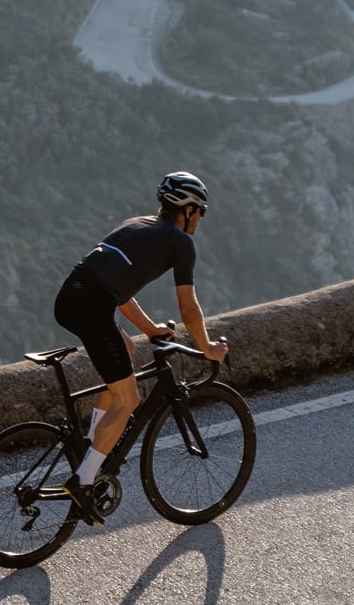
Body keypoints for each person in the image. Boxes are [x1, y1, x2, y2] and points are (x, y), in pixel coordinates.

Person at [52, 171, 230, 522]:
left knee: (126, 350)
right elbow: (188, 306)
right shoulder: (180, 242)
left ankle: (92, 445)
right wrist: (207, 346)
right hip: (92, 308)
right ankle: (84, 481)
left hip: (70, 298)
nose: (201, 219)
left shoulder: (135, 224)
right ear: (190, 210)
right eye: (201, 211)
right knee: (130, 399)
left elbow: (118, 293)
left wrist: (150, 330)